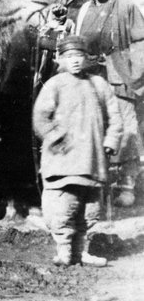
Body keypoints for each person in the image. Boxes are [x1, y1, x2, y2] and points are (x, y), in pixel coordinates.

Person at [32, 34, 124, 266]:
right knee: (62, 207)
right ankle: (64, 251)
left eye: (79, 56)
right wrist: (55, 138)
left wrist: (111, 141)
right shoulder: (54, 85)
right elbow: (41, 117)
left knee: (90, 209)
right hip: (62, 161)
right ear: (60, 59)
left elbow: (115, 117)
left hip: (92, 159)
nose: (74, 61)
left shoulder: (99, 84)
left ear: (87, 59)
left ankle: (81, 251)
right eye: (69, 56)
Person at [72, 0, 144, 206]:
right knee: (94, 127)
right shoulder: (84, 9)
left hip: (120, 75)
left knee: (125, 127)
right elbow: (78, 41)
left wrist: (133, 73)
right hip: (92, 76)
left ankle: (127, 184)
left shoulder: (126, 7)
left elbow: (140, 42)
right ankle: (97, 182)